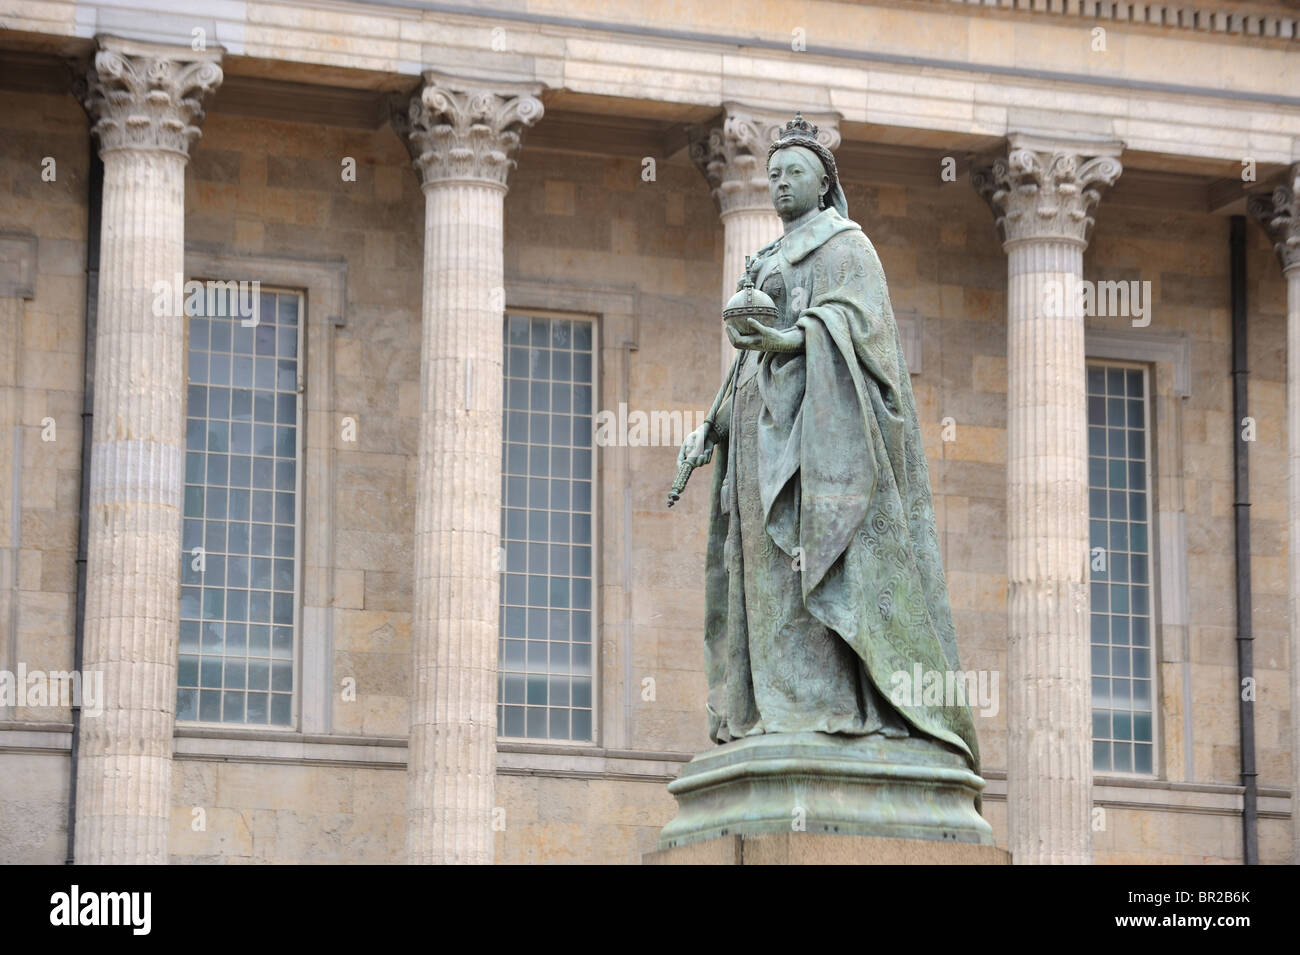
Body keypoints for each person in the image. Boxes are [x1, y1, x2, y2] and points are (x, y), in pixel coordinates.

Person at [677, 114, 980, 774]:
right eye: (775, 174)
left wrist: (792, 339)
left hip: (825, 443)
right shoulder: (765, 256)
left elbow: (864, 335)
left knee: (816, 563)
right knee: (763, 574)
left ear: (823, 185)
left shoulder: (847, 246)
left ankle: (829, 707)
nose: (781, 184)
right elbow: (744, 363)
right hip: (761, 435)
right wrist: (714, 424)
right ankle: (770, 708)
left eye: (795, 174)